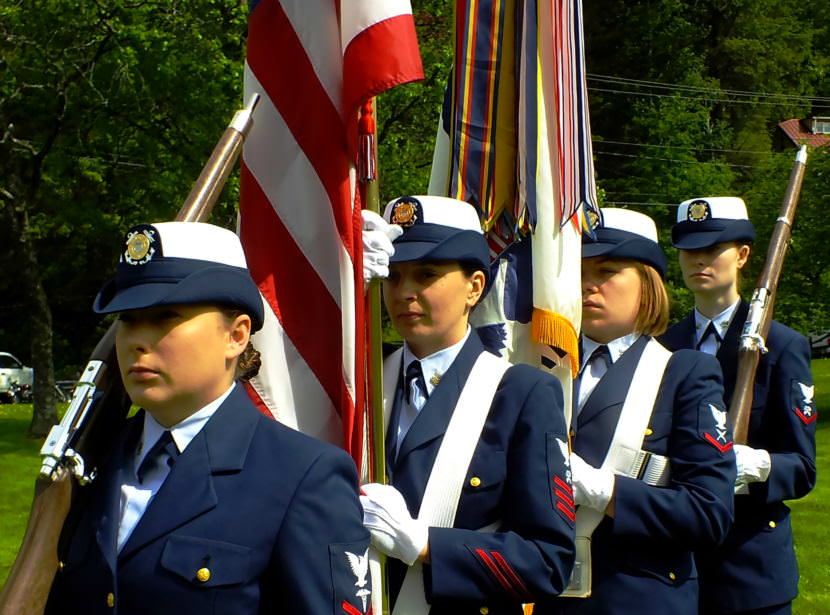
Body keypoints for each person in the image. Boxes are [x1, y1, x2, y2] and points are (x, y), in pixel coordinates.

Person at [46, 222, 371, 615]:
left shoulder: (302, 477)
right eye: (128, 319)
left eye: (164, 317)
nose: (137, 340)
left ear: (235, 336)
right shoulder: (93, 459)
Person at [359, 195, 575, 615]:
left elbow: (547, 561)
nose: (404, 293)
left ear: (475, 286)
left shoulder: (520, 393)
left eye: (426, 274)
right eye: (393, 276)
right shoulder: (362, 376)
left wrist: (428, 547)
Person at [538, 208, 737, 615]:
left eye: (607, 271)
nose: (587, 285)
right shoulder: (539, 363)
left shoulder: (683, 374)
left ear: (648, 284)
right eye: (578, 271)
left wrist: (603, 491)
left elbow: (708, 515)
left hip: (636, 598)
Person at [659, 197, 817, 615]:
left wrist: (757, 464)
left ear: (743, 255)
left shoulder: (781, 346)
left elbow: (802, 468)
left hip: (749, 568)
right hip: (675, 567)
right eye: (690, 250)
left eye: (713, 249)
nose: (699, 260)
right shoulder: (664, 347)